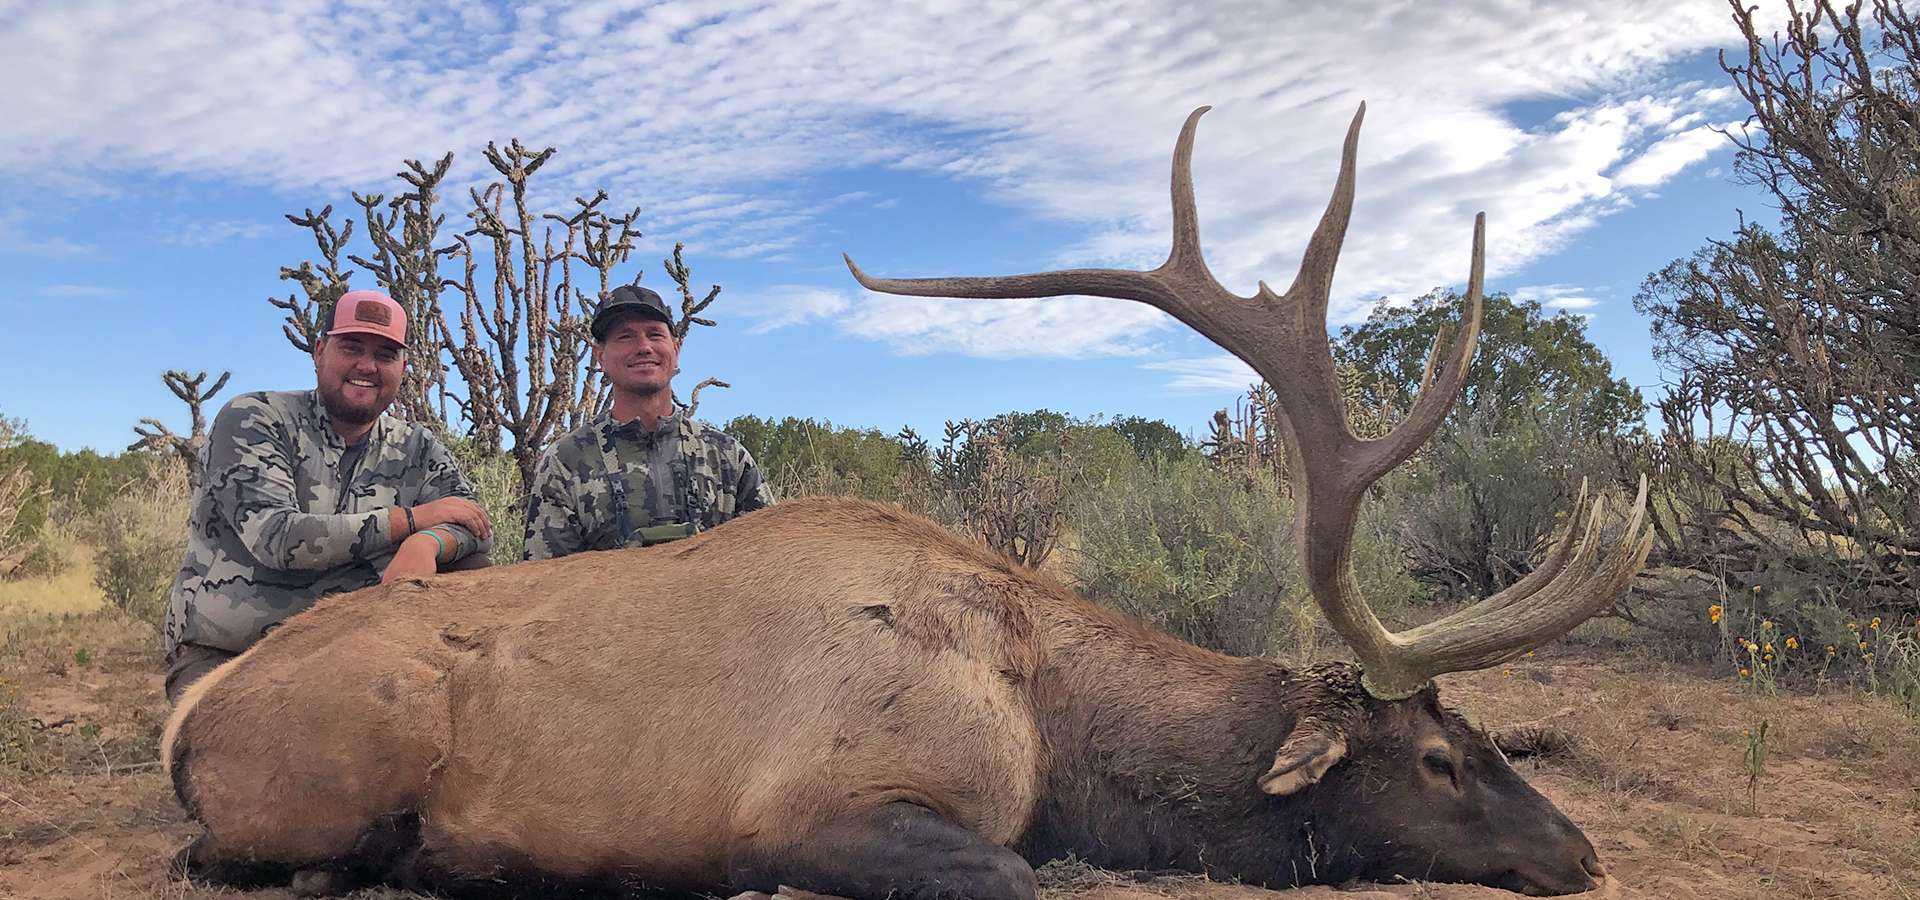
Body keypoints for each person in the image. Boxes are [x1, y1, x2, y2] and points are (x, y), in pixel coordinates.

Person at [161, 290, 494, 703]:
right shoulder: (255, 418)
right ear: (319, 351)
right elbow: (278, 538)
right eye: (351, 347)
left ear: (403, 368)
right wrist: (410, 521)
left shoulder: (417, 445)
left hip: (355, 649)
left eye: (386, 355)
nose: (367, 366)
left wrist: (430, 541)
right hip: (235, 651)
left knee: (470, 567)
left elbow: (474, 523)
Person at [523, 284, 772, 560]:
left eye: (655, 334)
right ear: (600, 357)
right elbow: (544, 579)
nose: (643, 347)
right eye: (625, 337)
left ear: (676, 349)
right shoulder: (565, 461)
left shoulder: (727, 455)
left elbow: (770, 558)